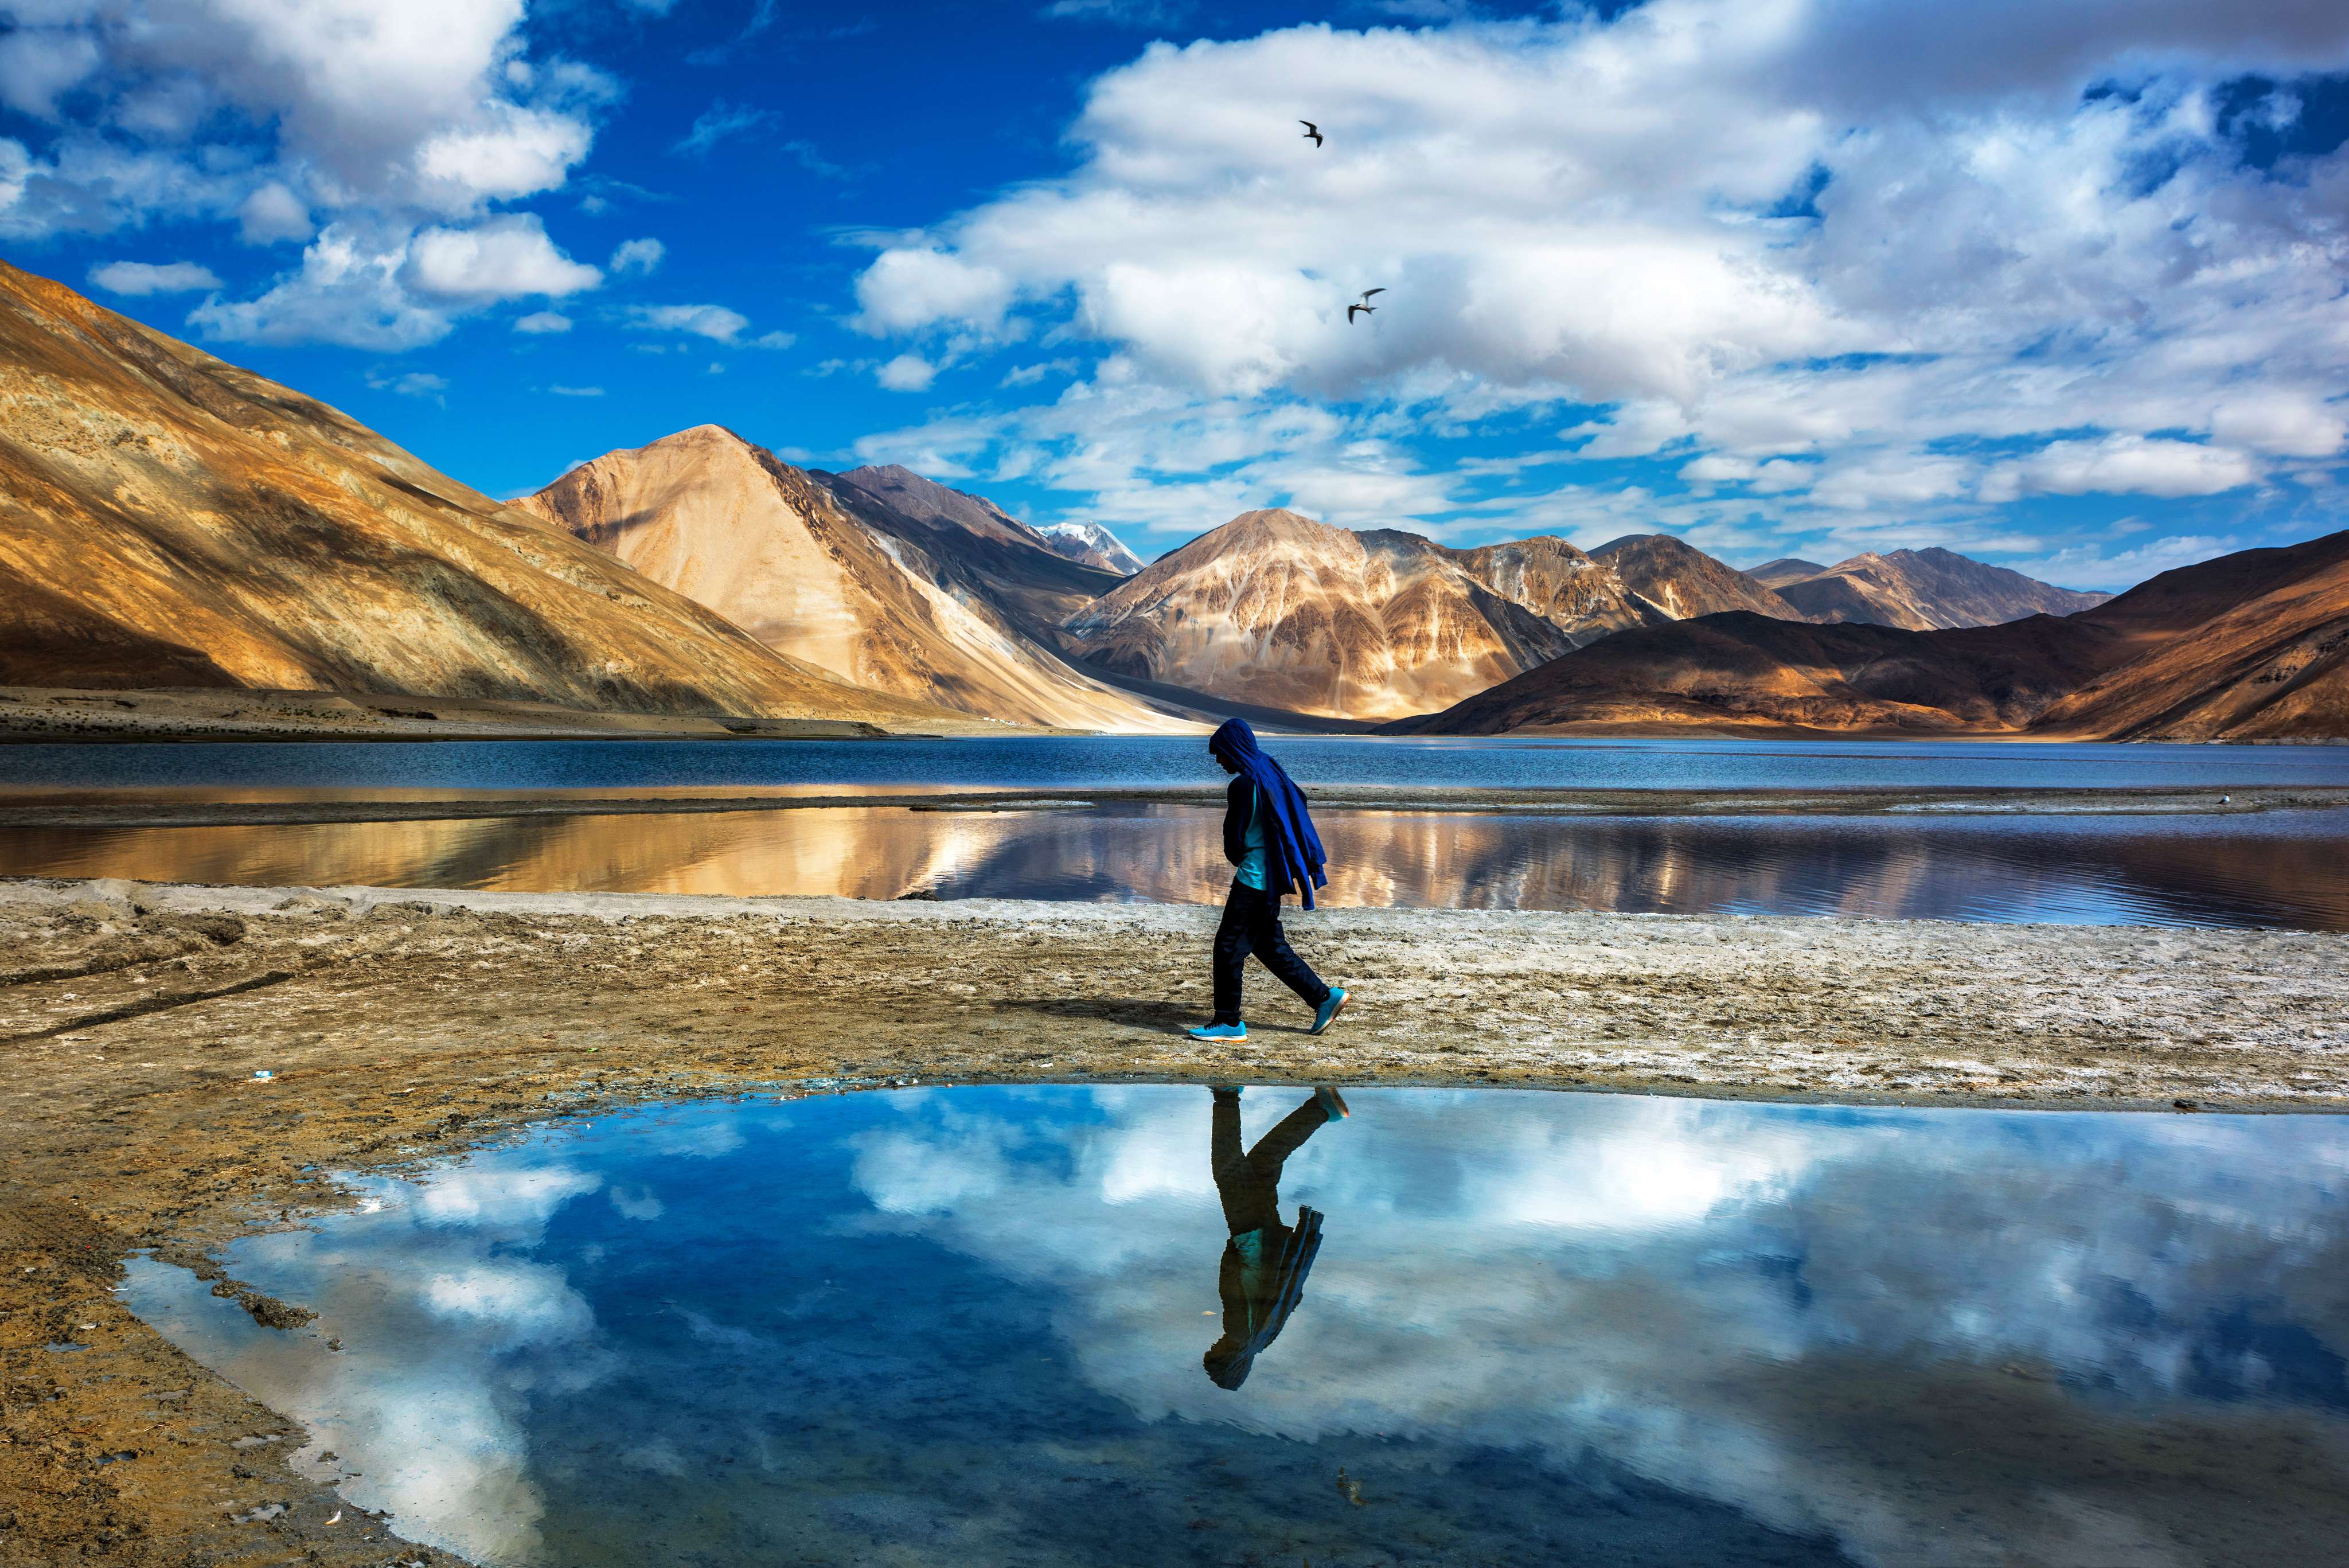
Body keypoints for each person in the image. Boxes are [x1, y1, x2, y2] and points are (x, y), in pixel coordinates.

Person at [1188, 719, 1349, 1043]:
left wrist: (1241, 859)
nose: (1220, 762)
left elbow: (1233, 841)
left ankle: (1228, 1022)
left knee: (1228, 947)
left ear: (1234, 749)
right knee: (1269, 946)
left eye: (1221, 754)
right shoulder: (1269, 771)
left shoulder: (1243, 786)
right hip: (1272, 875)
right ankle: (1323, 998)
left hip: (1254, 877)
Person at [1203, 1085, 1349, 1390]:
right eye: (1216, 1352)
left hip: (1269, 1243)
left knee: (1264, 1162)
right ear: (1228, 1360)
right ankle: (1227, 1096)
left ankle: (1320, 1110)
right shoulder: (1239, 1334)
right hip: (1251, 1238)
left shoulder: (1263, 1339)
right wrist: (1234, 1250)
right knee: (1227, 1168)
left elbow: (1292, 1299)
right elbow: (1230, 1280)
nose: (1216, 1345)